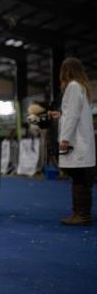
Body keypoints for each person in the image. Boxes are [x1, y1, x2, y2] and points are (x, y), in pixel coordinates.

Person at [49, 57, 95, 226]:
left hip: (76, 141)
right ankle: (81, 213)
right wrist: (61, 116)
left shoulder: (73, 87)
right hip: (81, 140)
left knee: (79, 178)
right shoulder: (81, 87)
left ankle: (81, 215)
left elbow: (73, 115)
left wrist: (65, 138)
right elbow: (73, 114)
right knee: (80, 178)